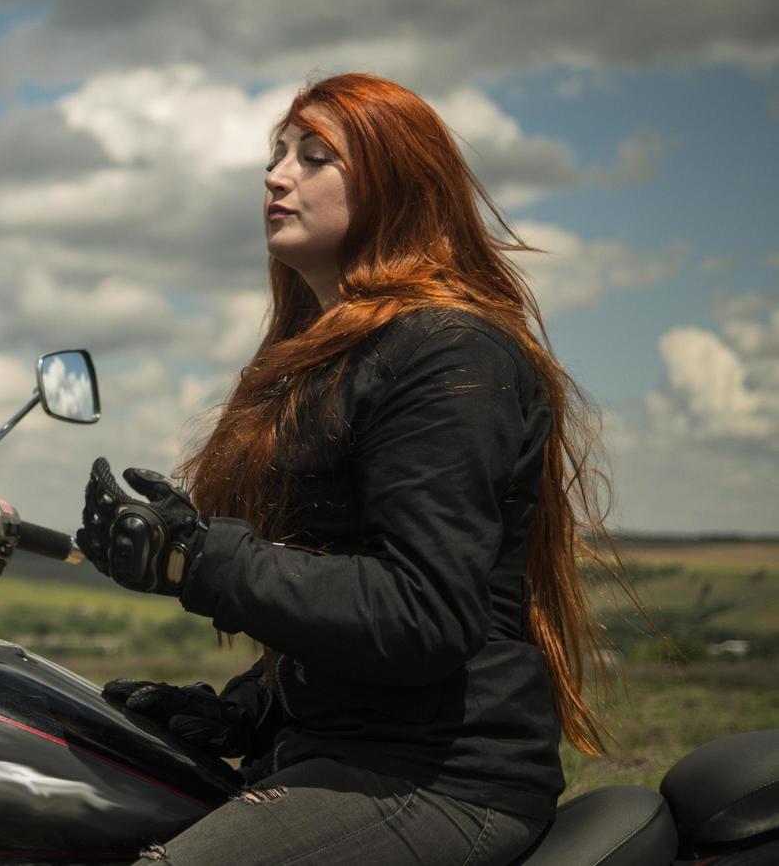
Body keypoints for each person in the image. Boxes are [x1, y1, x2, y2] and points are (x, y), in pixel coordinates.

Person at [76, 72, 619, 865]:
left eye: (313, 156)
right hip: (332, 758)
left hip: (435, 781)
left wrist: (201, 558)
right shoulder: (329, 361)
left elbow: (422, 611)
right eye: (276, 153)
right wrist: (242, 713)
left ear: (395, 187)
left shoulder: (447, 355)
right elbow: (335, 590)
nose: (275, 173)